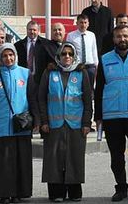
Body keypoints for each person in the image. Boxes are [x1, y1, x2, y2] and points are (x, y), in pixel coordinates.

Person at [95, 26, 128, 202]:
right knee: (116, 156)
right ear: (113, 39)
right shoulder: (104, 59)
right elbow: (99, 89)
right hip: (112, 116)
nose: (122, 39)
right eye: (118, 36)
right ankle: (121, 188)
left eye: (125, 36)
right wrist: (98, 116)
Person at [38, 42, 92, 202]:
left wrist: (86, 123)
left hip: (76, 125)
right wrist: (44, 121)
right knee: (54, 159)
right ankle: (56, 192)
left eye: (70, 53)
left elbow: (88, 100)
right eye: (63, 54)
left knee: (74, 158)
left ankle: (74, 192)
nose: (67, 56)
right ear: (58, 56)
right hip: (53, 124)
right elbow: (41, 99)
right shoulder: (49, 73)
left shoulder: (82, 73)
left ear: (74, 56)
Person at [0, 43, 38, 204]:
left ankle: (19, 193)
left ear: (15, 55)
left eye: (11, 55)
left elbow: (32, 99)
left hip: (21, 126)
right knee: (3, 163)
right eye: (4, 56)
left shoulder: (26, 73)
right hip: (1, 127)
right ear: (0, 58)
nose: (8, 58)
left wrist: (37, 121)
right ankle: (4, 193)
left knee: (20, 161)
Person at [66, 15, 99, 88]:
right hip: (77, 66)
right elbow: (68, 51)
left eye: (85, 22)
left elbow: (94, 50)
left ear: (88, 24)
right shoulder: (71, 35)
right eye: (81, 22)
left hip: (90, 66)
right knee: (77, 87)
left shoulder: (92, 35)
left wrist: (96, 64)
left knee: (90, 88)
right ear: (77, 23)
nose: (83, 25)